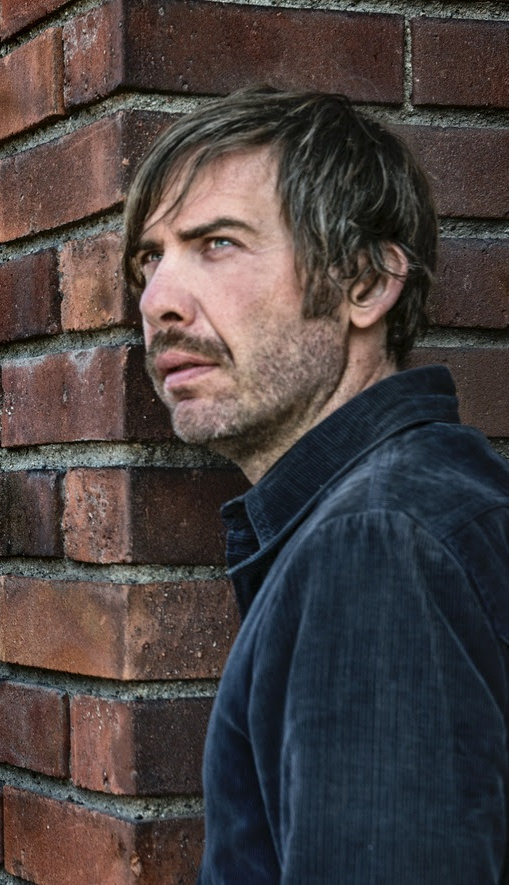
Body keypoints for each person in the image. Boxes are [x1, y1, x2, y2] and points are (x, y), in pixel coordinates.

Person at [123, 87, 509, 883]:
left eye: (218, 243)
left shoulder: (374, 546)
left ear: (365, 283)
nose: (157, 300)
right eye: (149, 259)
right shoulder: (426, 502)